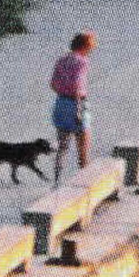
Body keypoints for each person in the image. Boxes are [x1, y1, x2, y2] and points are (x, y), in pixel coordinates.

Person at [49, 30, 94, 176]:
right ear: (85, 46)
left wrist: (64, 91)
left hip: (61, 103)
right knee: (83, 149)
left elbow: (53, 84)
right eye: (91, 47)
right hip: (77, 104)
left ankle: (57, 180)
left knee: (62, 147)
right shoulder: (82, 62)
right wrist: (78, 110)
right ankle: (85, 181)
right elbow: (77, 85)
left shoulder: (61, 60)